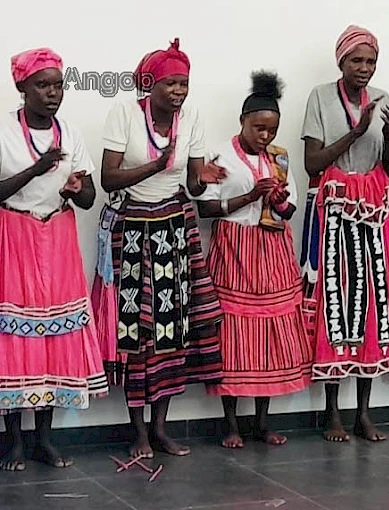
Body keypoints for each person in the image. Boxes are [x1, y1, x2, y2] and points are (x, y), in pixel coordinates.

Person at [92, 38, 225, 458]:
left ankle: (161, 428)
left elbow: (192, 184)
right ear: (150, 85)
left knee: (171, 329)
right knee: (135, 331)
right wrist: (157, 162)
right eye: (171, 83)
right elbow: (108, 180)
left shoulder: (193, 119)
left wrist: (204, 176)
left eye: (184, 83)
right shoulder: (125, 114)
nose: (179, 92)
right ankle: (138, 434)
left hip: (174, 228)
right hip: (130, 227)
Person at [0, 48, 109, 471]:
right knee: (15, 336)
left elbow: (88, 198)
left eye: (58, 85)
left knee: (53, 335)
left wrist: (73, 189)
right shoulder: (6, 130)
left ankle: (44, 439)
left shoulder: (71, 132)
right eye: (42, 85)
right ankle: (13, 443)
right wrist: (39, 168)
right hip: (14, 234)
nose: (52, 93)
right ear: (21, 88)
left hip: (58, 237)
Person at [197, 70, 314, 448]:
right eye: (258, 128)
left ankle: (262, 422)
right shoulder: (220, 156)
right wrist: (249, 197)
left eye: (271, 130)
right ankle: (231, 424)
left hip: (273, 249)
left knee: (270, 338)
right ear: (242, 122)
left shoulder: (278, 159)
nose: (265, 136)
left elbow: (290, 209)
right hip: (234, 249)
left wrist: (277, 199)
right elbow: (205, 207)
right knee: (232, 336)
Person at [301, 25, 389, 442]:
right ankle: (332, 414)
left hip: (373, 214)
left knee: (373, 308)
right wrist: (356, 131)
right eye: (356, 60)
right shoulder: (320, 98)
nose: (364, 68)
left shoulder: (382, 99)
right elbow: (313, 164)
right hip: (333, 211)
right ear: (340, 60)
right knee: (336, 304)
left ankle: (363, 412)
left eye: (371, 61)